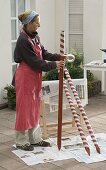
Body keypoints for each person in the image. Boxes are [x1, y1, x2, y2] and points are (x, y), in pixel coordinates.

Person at [14, 10, 67, 151]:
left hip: (34, 77)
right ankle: (20, 141)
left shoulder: (34, 37)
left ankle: (35, 139)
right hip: (25, 78)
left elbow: (44, 53)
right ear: (29, 23)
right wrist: (54, 65)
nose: (39, 24)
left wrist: (60, 57)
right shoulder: (23, 40)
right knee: (24, 109)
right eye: (37, 21)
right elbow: (36, 62)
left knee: (34, 108)